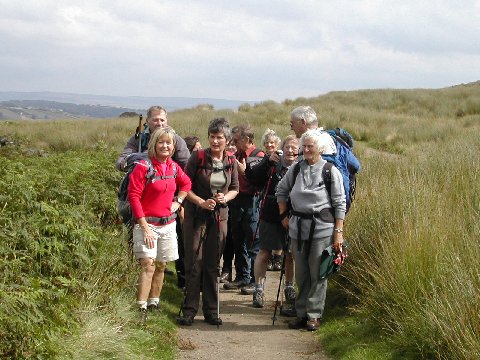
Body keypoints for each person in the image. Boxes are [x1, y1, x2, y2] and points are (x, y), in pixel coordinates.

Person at [276, 129, 346, 331]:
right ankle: (301, 313)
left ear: (320, 149)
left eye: (310, 146)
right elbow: (281, 190)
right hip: (297, 228)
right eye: (303, 146)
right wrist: (283, 216)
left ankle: (314, 315)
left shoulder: (330, 171)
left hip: (323, 229)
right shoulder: (296, 168)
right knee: (302, 274)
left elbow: (339, 203)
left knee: (318, 274)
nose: (305, 150)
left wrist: (338, 232)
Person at [117, 106, 190, 288]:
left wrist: (179, 200)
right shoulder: (138, 139)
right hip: (141, 201)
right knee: (137, 238)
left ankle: (181, 278)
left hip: (168, 201)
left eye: (163, 120)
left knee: (175, 238)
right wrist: (139, 159)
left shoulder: (176, 140)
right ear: (148, 121)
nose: (159, 123)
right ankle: (135, 276)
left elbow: (187, 167)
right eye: (156, 120)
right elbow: (121, 161)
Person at [177, 118, 239, 326]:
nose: (214, 141)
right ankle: (189, 310)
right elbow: (185, 186)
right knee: (194, 261)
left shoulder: (231, 160)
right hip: (196, 215)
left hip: (219, 217)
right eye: (212, 137)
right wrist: (200, 202)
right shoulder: (198, 156)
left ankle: (211, 311)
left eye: (219, 137)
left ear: (227, 140)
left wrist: (225, 198)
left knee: (213, 264)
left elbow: (235, 189)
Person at [127, 127, 192, 323]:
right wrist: (144, 226)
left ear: (173, 147)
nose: (165, 146)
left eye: (168, 143)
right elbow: (134, 196)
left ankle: (154, 302)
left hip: (168, 224)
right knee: (148, 264)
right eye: (161, 142)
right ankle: (141, 306)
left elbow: (187, 184)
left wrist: (178, 202)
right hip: (147, 224)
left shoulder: (173, 167)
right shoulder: (143, 167)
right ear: (154, 144)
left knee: (162, 265)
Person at [246, 135, 299, 311]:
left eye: (294, 147)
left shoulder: (302, 166)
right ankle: (259, 289)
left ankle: (289, 288)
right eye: (288, 147)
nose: (291, 150)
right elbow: (253, 177)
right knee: (264, 252)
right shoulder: (273, 163)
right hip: (270, 213)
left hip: (294, 215)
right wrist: (267, 162)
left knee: (290, 254)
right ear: (281, 148)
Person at [223, 124, 264, 295]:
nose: (234, 143)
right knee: (238, 239)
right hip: (236, 200)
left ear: (247, 139)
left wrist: (245, 171)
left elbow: (260, 182)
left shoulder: (259, 156)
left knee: (253, 241)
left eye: (237, 140)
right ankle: (242, 277)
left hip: (252, 201)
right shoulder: (236, 155)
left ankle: (255, 281)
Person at [260, 128, 283, 271]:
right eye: (267, 143)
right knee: (269, 230)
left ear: (277, 143)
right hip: (266, 197)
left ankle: (278, 258)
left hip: (279, 197)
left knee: (280, 228)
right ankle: (269, 258)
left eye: (272, 143)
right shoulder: (263, 158)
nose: (269, 145)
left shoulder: (281, 157)